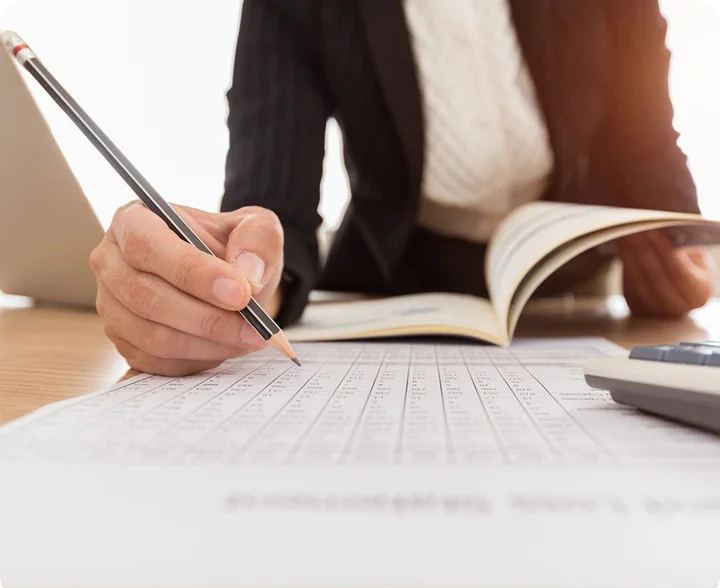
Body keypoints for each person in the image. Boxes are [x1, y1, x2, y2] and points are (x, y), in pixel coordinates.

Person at [90, 0, 716, 376]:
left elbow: (645, 136)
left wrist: (687, 246)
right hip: (396, 287)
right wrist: (240, 278)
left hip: (568, 288)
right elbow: (271, 204)